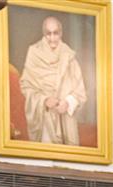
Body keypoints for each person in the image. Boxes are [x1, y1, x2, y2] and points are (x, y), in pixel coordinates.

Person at [19, 16, 86, 145]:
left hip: (66, 119)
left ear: (60, 33)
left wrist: (68, 102)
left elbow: (80, 91)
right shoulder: (34, 53)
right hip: (44, 116)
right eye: (48, 34)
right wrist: (44, 100)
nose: (52, 38)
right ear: (44, 34)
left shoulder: (69, 55)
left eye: (55, 33)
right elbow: (26, 85)